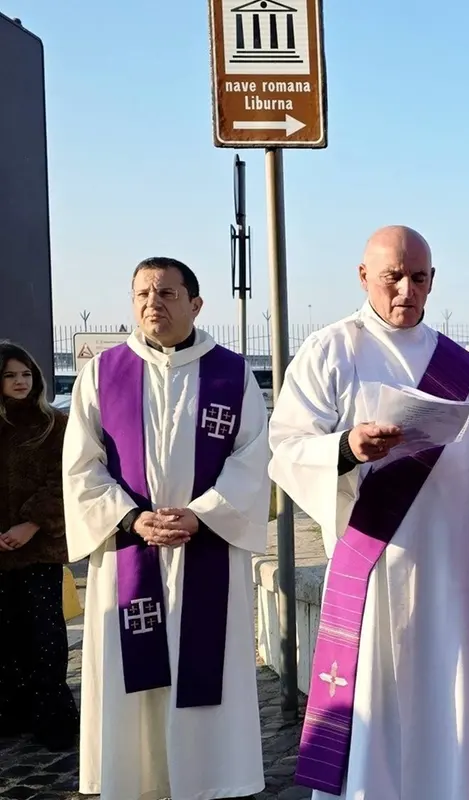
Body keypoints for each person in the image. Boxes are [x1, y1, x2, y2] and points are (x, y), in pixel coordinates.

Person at [268, 225, 469, 800]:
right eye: (392, 276)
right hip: (374, 560)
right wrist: (347, 448)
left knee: (444, 695)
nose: (405, 290)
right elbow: (287, 446)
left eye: (418, 277)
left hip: (446, 561)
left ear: (433, 280)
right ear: (364, 276)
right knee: (375, 700)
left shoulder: (458, 365)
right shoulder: (331, 350)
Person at [63, 257, 270, 800]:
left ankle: (210, 781)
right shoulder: (103, 372)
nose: (153, 303)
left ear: (196, 304)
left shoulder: (231, 372)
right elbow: (81, 465)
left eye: (167, 293)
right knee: (134, 678)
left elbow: (253, 457)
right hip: (130, 549)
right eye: (142, 293)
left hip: (208, 548)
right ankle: (136, 781)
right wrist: (132, 517)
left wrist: (204, 513)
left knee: (207, 669)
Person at [0, 341, 78, 751]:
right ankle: (11, 713)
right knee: (5, 634)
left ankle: (53, 718)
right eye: (11, 375)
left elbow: (64, 481)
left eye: (26, 375)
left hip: (39, 548)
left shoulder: (55, 426)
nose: (20, 382)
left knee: (45, 633)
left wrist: (31, 523)